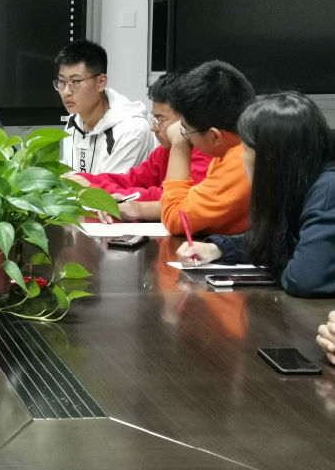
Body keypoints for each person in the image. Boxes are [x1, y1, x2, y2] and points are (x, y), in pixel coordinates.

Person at [176, 92, 335, 297]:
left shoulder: (327, 191)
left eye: (246, 148)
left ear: (271, 157)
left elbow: (304, 280)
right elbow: (277, 240)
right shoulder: (301, 179)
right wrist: (217, 249)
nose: (242, 157)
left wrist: (280, 263)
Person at [72, 72, 212, 222]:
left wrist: (95, 189)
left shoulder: (206, 152)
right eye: (153, 118)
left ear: (186, 119)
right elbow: (132, 180)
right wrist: (82, 179)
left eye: (160, 120)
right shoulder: (164, 151)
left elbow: (168, 198)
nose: (153, 127)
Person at [160, 60, 255, 236]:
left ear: (214, 136)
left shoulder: (241, 160)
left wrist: (180, 145)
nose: (184, 134)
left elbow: (175, 218)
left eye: (186, 130)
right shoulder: (236, 147)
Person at [55, 39, 157, 174]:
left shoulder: (131, 130)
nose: (66, 92)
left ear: (101, 83)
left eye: (76, 82)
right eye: (62, 81)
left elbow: (111, 186)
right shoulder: (73, 122)